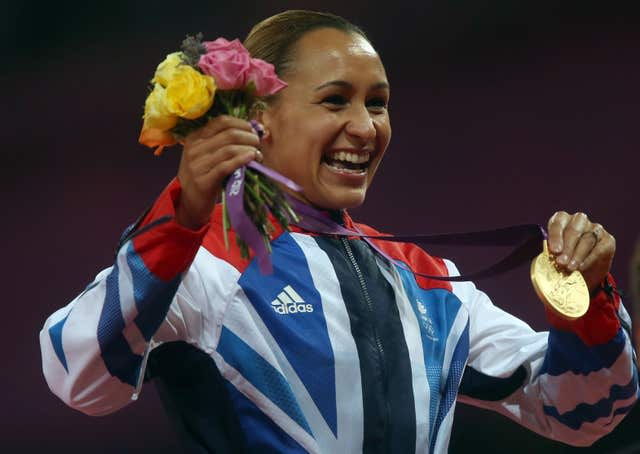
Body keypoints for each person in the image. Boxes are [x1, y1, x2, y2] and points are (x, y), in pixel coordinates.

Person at [40, 10, 637, 454]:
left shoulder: (426, 282)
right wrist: (182, 217)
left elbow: (582, 410)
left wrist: (586, 306)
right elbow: (77, 375)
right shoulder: (204, 263)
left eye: (377, 104)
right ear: (257, 119)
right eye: (334, 101)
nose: (365, 126)